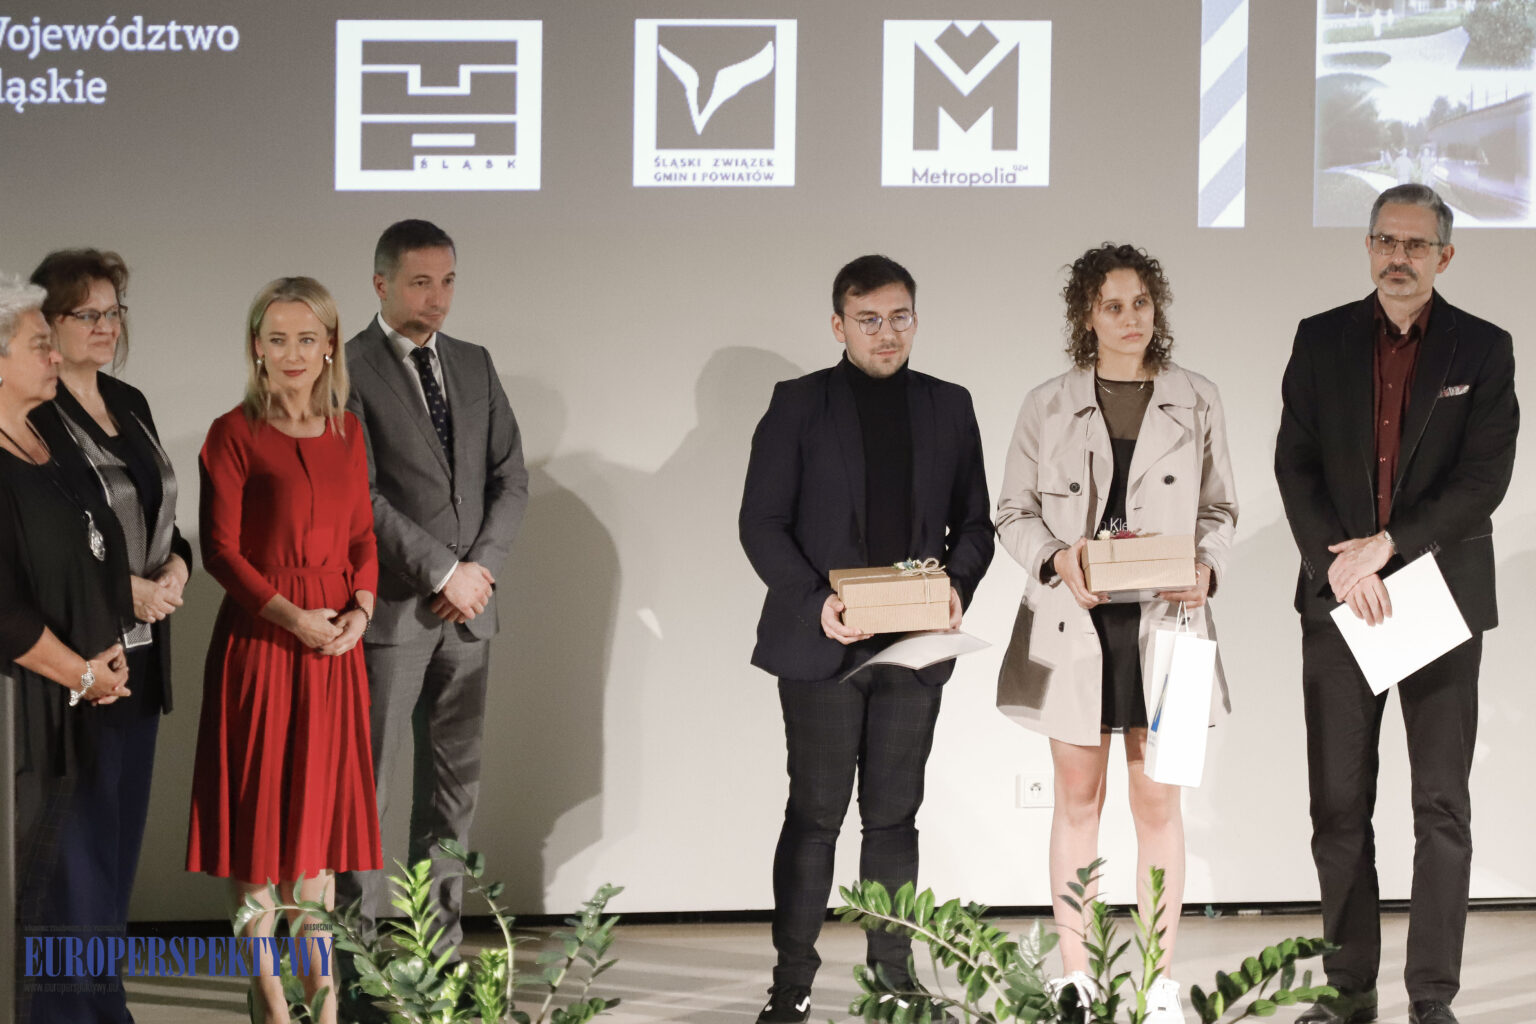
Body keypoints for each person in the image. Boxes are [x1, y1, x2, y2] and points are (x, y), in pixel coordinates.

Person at [1275, 184, 1518, 1024]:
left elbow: (1485, 478)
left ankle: (1431, 998)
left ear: (1445, 256)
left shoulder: (1483, 348)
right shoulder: (1320, 339)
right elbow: (1295, 464)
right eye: (1385, 240)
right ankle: (1347, 996)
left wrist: (1391, 544)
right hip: (1344, 597)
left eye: (1416, 245)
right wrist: (1341, 564)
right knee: (1339, 808)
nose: (1398, 257)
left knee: (1440, 808)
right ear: (1368, 247)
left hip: (1437, 597)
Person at [738, 254, 994, 1024]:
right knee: (816, 816)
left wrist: (955, 587)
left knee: (893, 817)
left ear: (916, 318)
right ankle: (792, 985)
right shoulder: (798, 404)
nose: (887, 334)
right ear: (838, 324)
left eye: (900, 317)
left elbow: (974, 524)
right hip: (825, 645)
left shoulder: (948, 405)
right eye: (869, 320)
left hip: (912, 647)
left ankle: (893, 979)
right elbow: (762, 523)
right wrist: (816, 602)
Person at [994, 243, 1237, 1024]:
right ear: (1086, 317)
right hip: (1078, 619)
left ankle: (1159, 985)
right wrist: (1055, 558)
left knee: (1159, 806)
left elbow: (1220, 509)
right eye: (1112, 306)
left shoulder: (1197, 398)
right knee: (1078, 800)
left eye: (1141, 303)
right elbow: (1012, 512)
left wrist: (1206, 568)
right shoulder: (1047, 403)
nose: (1131, 318)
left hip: (1170, 618)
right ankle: (1078, 978)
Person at [335, 220, 528, 974]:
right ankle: (356, 962)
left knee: (452, 796)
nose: (437, 298)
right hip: (392, 614)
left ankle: (436, 957)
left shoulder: (474, 363)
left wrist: (478, 571)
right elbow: (362, 495)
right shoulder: (346, 366)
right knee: (369, 793)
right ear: (380, 284)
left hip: (471, 615)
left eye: (447, 281)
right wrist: (444, 573)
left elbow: (511, 477)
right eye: (420, 283)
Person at [186, 277, 381, 1024]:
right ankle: (271, 1002)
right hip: (264, 645)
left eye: (307, 338)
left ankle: (322, 1008)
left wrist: (362, 608)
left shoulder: (348, 431)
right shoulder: (231, 434)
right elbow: (221, 552)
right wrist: (293, 617)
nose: (293, 353)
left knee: (316, 845)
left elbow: (363, 536)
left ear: (329, 345)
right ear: (256, 347)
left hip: (334, 655)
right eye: (277, 339)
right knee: (259, 838)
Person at [0, 273, 134, 1023]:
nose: (56, 356)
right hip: (26, 716)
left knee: (83, 894)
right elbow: (3, 612)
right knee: (39, 895)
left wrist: (105, 655)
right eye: (39, 344)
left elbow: (97, 546)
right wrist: (81, 671)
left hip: (86, 701)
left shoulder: (46, 436)